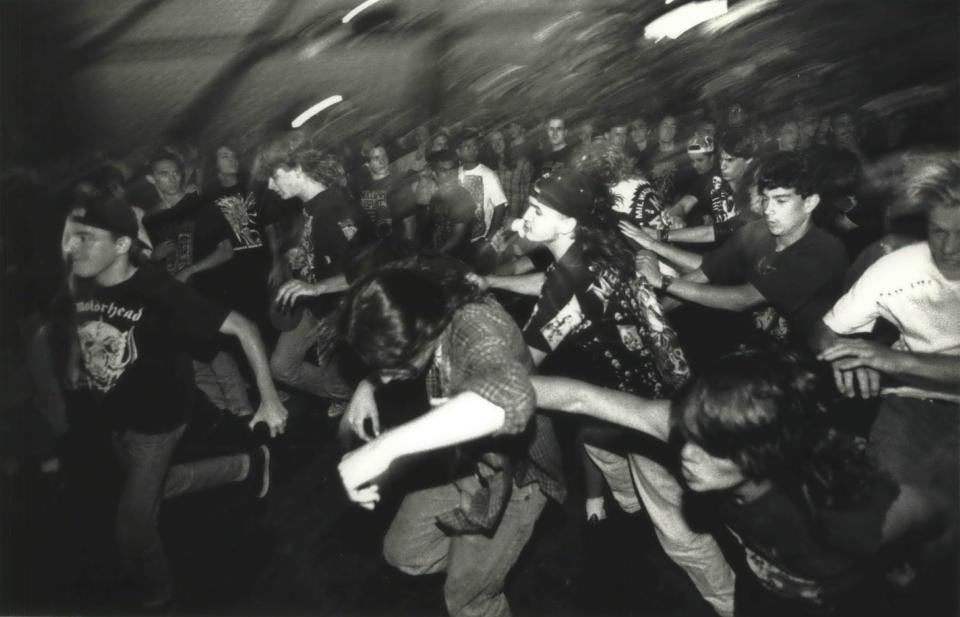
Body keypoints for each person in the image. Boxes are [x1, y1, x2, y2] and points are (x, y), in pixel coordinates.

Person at [480, 171, 734, 616]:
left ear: (565, 224)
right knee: (603, 443)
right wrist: (496, 282)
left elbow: (523, 364)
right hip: (673, 383)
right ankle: (631, 502)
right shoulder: (599, 243)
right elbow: (558, 287)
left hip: (643, 409)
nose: (524, 218)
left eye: (536, 211)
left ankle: (733, 603)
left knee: (681, 532)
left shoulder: (566, 284)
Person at [531, 349, 949, 616]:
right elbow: (579, 397)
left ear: (761, 456)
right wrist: (475, 392)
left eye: (708, 448)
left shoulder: (841, 510)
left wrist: (919, 575)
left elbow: (942, 511)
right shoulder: (700, 432)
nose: (685, 455)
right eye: (688, 436)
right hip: (762, 595)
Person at [58, 194, 287, 610]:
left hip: (157, 421)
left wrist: (269, 400)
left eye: (86, 238)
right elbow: (83, 320)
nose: (73, 247)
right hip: (115, 417)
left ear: (122, 244)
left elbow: (244, 327)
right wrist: (77, 359)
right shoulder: (84, 280)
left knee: (132, 528)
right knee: (155, 490)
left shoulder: (156, 291)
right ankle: (247, 465)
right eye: (71, 237)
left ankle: (157, 598)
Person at [337, 261, 564, 617]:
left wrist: (386, 446)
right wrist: (368, 385)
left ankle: (481, 581)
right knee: (404, 554)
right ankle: (478, 562)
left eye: (391, 367)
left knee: (466, 601)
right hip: (463, 463)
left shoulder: (475, 324)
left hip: (516, 477)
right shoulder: (424, 296)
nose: (387, 375)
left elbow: (512, 401)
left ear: (422, 336)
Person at [813, 155, 960, 558]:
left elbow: (892, 360)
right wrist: (840, 355)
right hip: (908, 404)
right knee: (874, 520)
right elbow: (825, 329)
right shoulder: (895, 267)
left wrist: (892, 360)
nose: (948, 248)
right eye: (938, 232)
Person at [625, 151, 848, 347]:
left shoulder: (823, 251)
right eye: (765, 199)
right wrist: (653, 312)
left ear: (809, 203)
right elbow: (705, 272)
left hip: (802, 359)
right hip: (754, 346)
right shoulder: (756, 231)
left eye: (780, 201)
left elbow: (741, 299)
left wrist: (662, 281)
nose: (768, 210)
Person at [263, 147, 362, 403]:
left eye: (275, 176)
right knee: (281, 368)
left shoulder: (337, 209)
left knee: (337, 383)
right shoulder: (310, 207)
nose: (270, 185)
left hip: (339, 311)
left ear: (297, 170)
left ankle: (353, 396)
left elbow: (366, 269)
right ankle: (345, 392)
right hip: (315, 306)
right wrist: (303, 254)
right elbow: (329, 249)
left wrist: (316, 288)